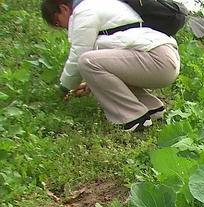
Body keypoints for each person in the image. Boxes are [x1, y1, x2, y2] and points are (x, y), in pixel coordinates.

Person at [41, 0, 181, 131]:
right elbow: (114, 56)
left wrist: (64, 88)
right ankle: (151, 107)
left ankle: (133, 118)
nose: (63, 27)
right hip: (163, 58)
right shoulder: (103, 5)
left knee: (86, 61)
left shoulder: (84, 10)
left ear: (63, 9)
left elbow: (79, 54)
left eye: (57, 22)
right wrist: (91, 83)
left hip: (157, 59)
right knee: (90, 62)